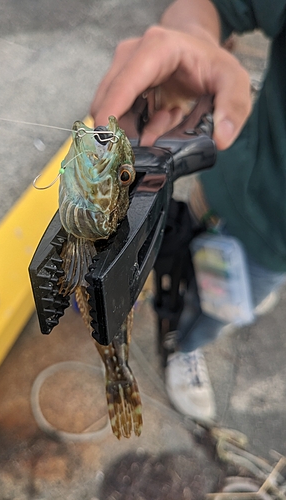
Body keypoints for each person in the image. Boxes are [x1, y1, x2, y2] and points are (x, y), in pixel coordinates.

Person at [91, 0, 286, 423]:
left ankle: (202, 330)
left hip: (274, 250)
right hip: (231, 186)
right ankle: (185, 346)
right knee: (213, 297)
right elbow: (215, 6)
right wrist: (193, 37)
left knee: (232, 298)